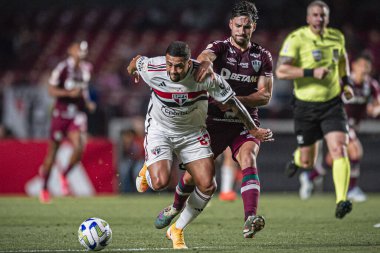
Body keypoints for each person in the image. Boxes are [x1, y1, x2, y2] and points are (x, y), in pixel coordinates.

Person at [126, 41, 273, 249]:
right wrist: (133, 70)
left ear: (189, 63)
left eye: (179, 66)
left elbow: (234, 103)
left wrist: (252, 129)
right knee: (159, 183)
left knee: (207, 184)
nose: (173, 70)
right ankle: (147, 170)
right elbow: (135, 62)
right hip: (161, 131)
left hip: (193, 134)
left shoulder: (206, 77)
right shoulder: (153, 67)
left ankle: (177, 229)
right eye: (170, 64)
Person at [153, 0, 274, 239]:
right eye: (238, 25)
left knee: (248, 157)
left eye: (247, 27)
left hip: (245, 122)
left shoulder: (263, 56)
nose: (242, 30)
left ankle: (250, 217)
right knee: (193, 177)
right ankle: (175, 207)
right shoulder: (220, 48)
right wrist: (206, 63)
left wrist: (232, 99)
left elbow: (265, 96)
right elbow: (204, 56)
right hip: (213, 121)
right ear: (231, 25)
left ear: (253, 27)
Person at [275, 0, 355, 219]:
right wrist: (310, 73)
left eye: (323, 15)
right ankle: (297, 160)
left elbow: (343, 61)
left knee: (339, 148)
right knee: (308, 160)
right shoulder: (296, 39)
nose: (319, 19)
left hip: (332, 104)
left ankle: (342, 200)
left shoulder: (337, 37)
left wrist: (346, 83)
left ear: (327, 18)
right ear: (308, 18)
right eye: (316, 15)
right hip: (305, 106)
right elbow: (281, 71)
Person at [299, 54, 380, 202]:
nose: (364, 69)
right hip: (337, 122)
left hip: (353, 125)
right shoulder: (344, 82)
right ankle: (352, 189)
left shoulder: (372, 86)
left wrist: (374, 110)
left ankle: (309, 177)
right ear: (354, 65)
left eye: (367, 66)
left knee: (333, 158)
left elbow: (376, 106)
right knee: (355, 152)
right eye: (361, 65)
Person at [39, 41, 95, 204]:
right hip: (60, 115)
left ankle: (64, 174)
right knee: (53, 152)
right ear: (71, 50)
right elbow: (51, 90)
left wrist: (88, 102)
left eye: (83, 50)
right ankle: (44, 187)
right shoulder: (63, 68)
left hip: (75, 115)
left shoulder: (86, 69)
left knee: (79, 146)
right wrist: (68, 93)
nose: (81, 52)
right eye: (78, 49)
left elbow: (83, 90)